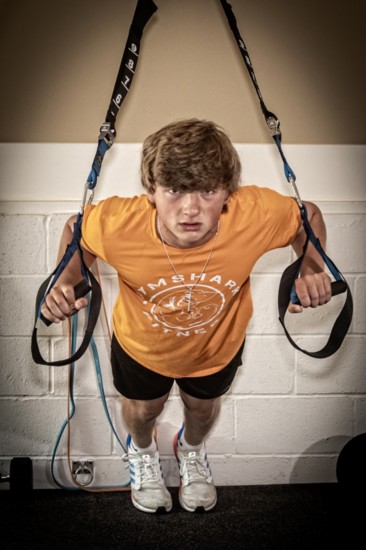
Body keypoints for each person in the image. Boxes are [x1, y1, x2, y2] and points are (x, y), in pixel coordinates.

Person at [41, 119, 332, 514]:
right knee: (144, 410)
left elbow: (307, 216)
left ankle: (190, 451)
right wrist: (68, 277)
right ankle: (142, 452)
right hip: (142, 346)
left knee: (202, 410)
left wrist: (312, 266)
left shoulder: (254, 214)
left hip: (216, 345)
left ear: (228, 193)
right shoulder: (119, 223)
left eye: (208, 191)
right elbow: (78, 231)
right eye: (174, 191)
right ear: (152, 192)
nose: (190, 208)